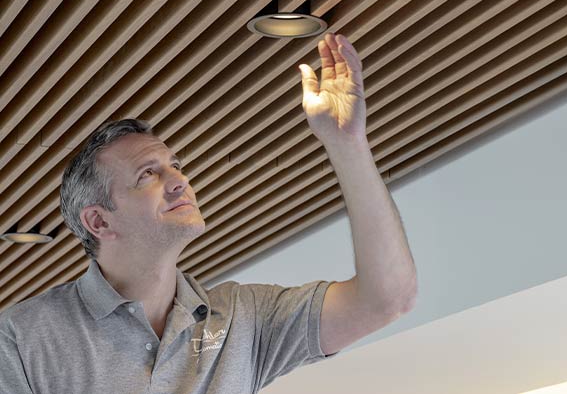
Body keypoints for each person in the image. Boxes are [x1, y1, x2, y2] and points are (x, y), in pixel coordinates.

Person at [0, 33, 417, 393]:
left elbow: (387, 299)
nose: (180, 181)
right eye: (149, 174)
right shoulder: (23, 336)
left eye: (175, 167)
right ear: (99, 221)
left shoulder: (243, 318)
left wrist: (348, 144)